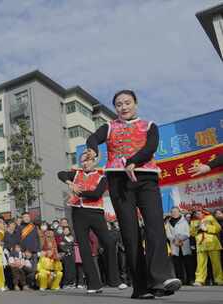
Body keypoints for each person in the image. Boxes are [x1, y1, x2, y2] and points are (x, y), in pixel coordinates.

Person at [86, 89, 181, 299]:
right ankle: (141, 288)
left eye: (127, 103)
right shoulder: (109, 127)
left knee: (155, 225)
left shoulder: (149, 126)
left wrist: (133, 161)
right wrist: (93, 150)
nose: (123, 107)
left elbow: (150, 147)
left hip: (146, 178)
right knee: (130, 233)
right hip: (119, 181)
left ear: (135, 104)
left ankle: (161, 278)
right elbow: (93, 138)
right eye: (119, 104)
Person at [57, 151, 125, 293]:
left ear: (94, 161)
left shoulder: (102, 178)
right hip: (78, 213)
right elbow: (60, 174)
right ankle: (94, 284)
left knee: (109, 242)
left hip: (96, 214)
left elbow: (96, 194)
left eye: (88, 160)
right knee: (84, 248)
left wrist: (78, 191)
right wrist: (70, 184)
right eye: (83, 161)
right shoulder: (75, 174)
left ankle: (115, 279)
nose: (85, 163)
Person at [190, 209, 223, 286]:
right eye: (195, 213)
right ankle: (199, 280)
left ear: (202, 212)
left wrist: (207, 227)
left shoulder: (210, 217)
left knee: (216, 263)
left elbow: (218, 228)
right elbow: (192, 233)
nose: (197, 214)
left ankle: (219, 279)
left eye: (199, 212)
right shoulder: (193, 221)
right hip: (201, 244)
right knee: (200, 264)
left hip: (212, 243)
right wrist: (197, 228)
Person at [165, 207, 195, 285]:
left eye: (176, 211)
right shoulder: (168, 222)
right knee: (177, 264)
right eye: (172, 212)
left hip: (184, 243)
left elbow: (187, 233)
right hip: (174, 244)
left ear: (179, 212)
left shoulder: (184, 221)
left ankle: (190, 279)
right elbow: (168, 234)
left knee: (188, 263)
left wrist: (180, 239)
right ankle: (180, 280)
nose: (174, 213)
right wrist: (174, 240)